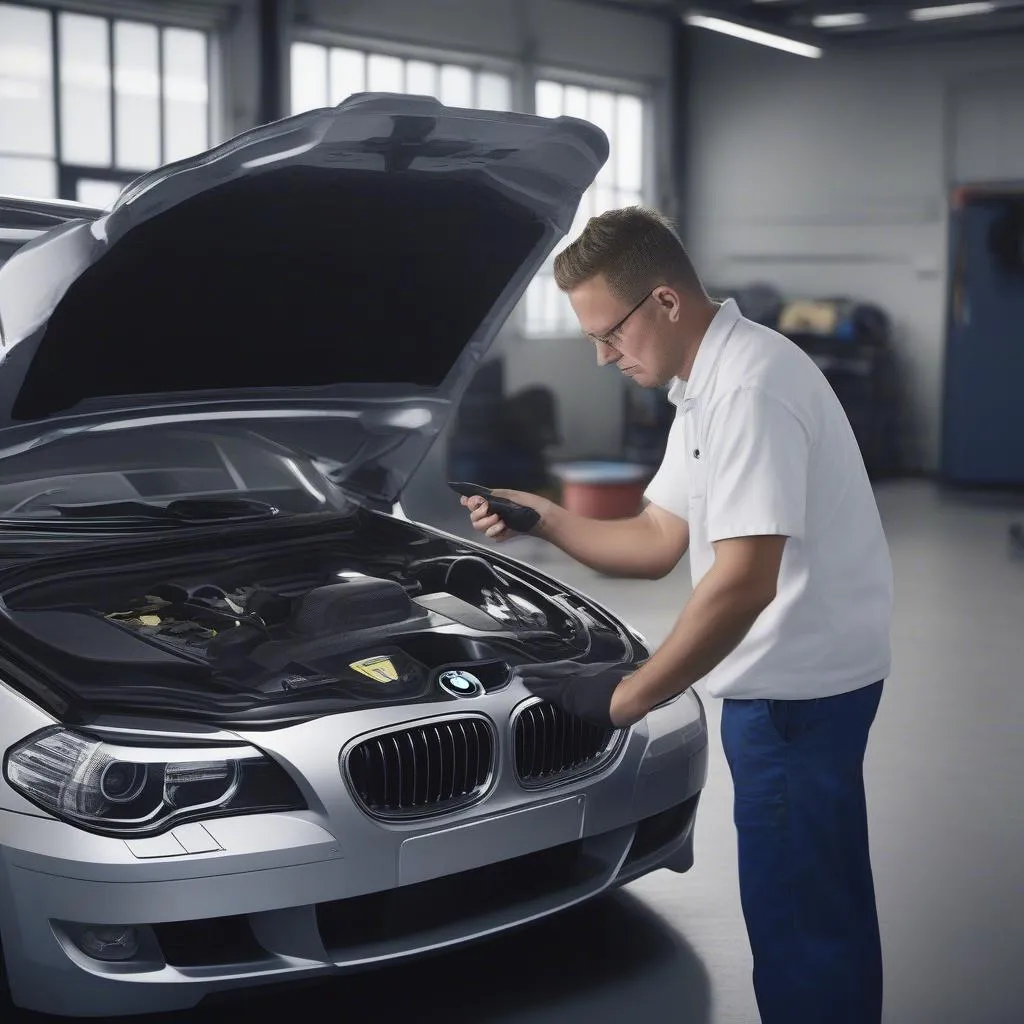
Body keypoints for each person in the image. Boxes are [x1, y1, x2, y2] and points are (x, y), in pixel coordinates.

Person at [459, 206, 894, 1024]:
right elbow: (659, 538)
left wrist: (628, 697)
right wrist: (543, 515)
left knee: (803, 928)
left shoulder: (750, 390)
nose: (600, 355)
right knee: (815, 911)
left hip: (795, 703)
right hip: (793, 693)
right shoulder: (708, 382)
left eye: (609, 333)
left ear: (664, 301)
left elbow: (742, 584)